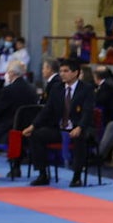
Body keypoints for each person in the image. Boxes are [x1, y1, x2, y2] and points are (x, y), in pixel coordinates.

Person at [23, 56, 95, 187]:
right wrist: (33, 126)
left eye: (66, 71)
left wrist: (79, 127)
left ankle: (77, 176)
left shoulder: (86, 89)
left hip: (79, 127)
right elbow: (47, 110)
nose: (62, 74)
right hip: (59, 128)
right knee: (36, 135)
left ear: (75, 72)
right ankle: (43, 174)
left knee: (80, 139)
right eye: (61, 71)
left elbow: (87, 112)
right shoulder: (57, 88)